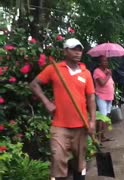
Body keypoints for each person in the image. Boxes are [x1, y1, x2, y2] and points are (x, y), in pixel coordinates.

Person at [29, 38, 96, 180]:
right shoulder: (54, 69)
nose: (78, 52)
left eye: (80, 49)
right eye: (74, 49)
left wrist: (92, 122)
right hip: (60, 126)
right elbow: (34, 84)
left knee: (80, 162)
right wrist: (46, 102)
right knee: (58, 158)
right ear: (65, 51)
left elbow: (91, 98)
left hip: (81, 125)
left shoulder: (86, 73)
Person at [93, 56, 114, 141]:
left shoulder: (107, 71)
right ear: (99, 62)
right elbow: (102, 83)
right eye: (104, 61)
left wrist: (113, 95)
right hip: (101, 96)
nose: (106, 62)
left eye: (106, 61)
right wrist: (108, 75)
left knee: (105, 117)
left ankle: (103, 136)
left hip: (109, 97)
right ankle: (98, 137)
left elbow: (111, 83)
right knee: (101, 117)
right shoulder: (96, 71)